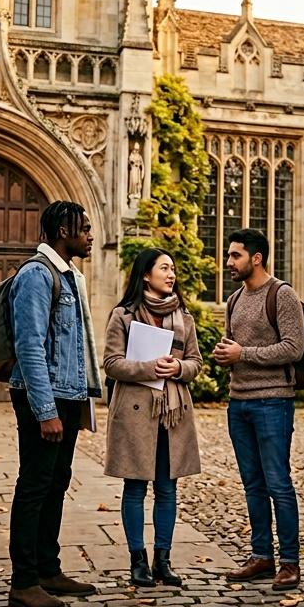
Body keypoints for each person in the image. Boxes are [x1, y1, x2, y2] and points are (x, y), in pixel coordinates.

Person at [7, 201, 102, 607]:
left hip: (66, 394)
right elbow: (29, 346)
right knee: (34, 485)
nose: (90, 235)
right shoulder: (36, 275)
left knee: (56, 483)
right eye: (84, 228)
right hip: (42, 395)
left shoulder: (69, 275)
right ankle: (23, 581)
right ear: (64, 231)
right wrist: (45, 410)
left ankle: (48, 568)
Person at [102, 248, 203, 588]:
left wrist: (178, 367)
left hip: (172, 413)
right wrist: (148, 368)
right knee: (134, 486)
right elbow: (112, 363)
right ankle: (137, 561)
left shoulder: (184, 317)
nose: (171, 274)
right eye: (164, 268)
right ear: (146, 275)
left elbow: (196, 363)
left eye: (173, 268)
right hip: (135, 411)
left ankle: (163, 560)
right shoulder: (123, 316)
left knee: (167, 488)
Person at [213, 228, 304, 591]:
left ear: (257, 258)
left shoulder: (282, 295)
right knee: (252, 484)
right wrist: (226, 355)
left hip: (273, 402)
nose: (229, 262)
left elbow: (293, 348)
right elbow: (235, 346)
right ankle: (261, 555)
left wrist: (243, 354)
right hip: (239, 403)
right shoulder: (235, 299)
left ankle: (290, 562)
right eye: (229, 254)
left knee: (278, 483)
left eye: (235, 255)